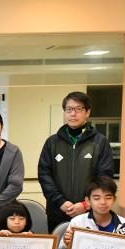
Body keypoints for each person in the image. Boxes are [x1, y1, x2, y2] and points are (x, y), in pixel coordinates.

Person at [38, 91, 115, 233]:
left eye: (78, 109)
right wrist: (60, 201)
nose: (73, 114)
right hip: (58, 212)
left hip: (90, 213)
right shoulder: (52, 142)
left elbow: (104, 177)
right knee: (59, 246)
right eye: (69, 109)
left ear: (87, 112)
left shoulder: (100, 142)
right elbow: (44, 175)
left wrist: (86, 204)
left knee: (88, 246)